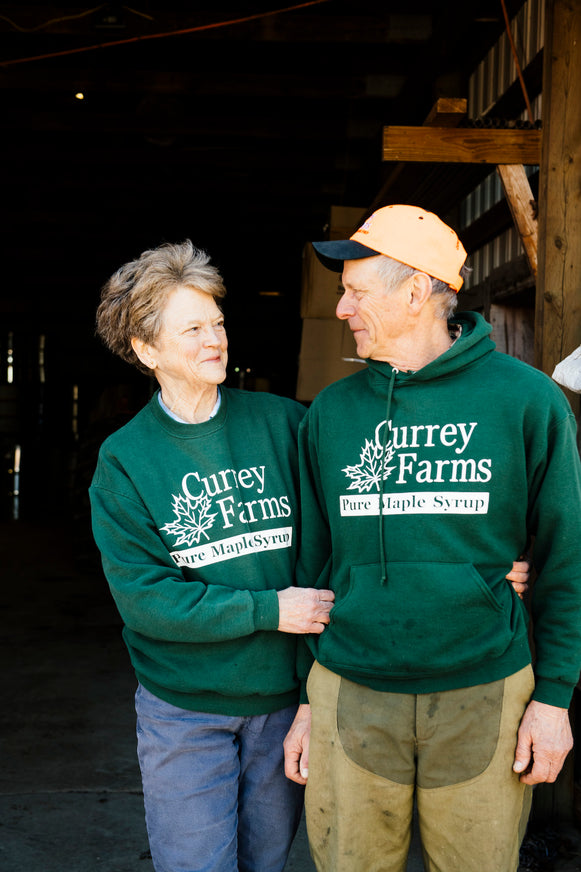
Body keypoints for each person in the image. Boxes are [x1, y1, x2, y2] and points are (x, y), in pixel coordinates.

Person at [283, 204, 581, 872]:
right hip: (350, 690)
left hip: (484, 687)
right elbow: (313, 566)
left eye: (355, 292)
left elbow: (565, 558)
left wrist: (554, 698)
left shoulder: (527, 402)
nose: (342, 310)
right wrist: (306, 701)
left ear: (415, 292)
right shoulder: (331, 413)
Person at [88, 239, 336, 872]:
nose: (214, 339)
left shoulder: (284, 423)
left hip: (282, 702)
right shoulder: (125, 460)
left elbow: (362, 512)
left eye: (217, 323)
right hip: (185, 710)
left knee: (266, 861)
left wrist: (476, 563)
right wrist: (268, 609)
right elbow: (149, 602)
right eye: (192, 327)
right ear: (146, 350)